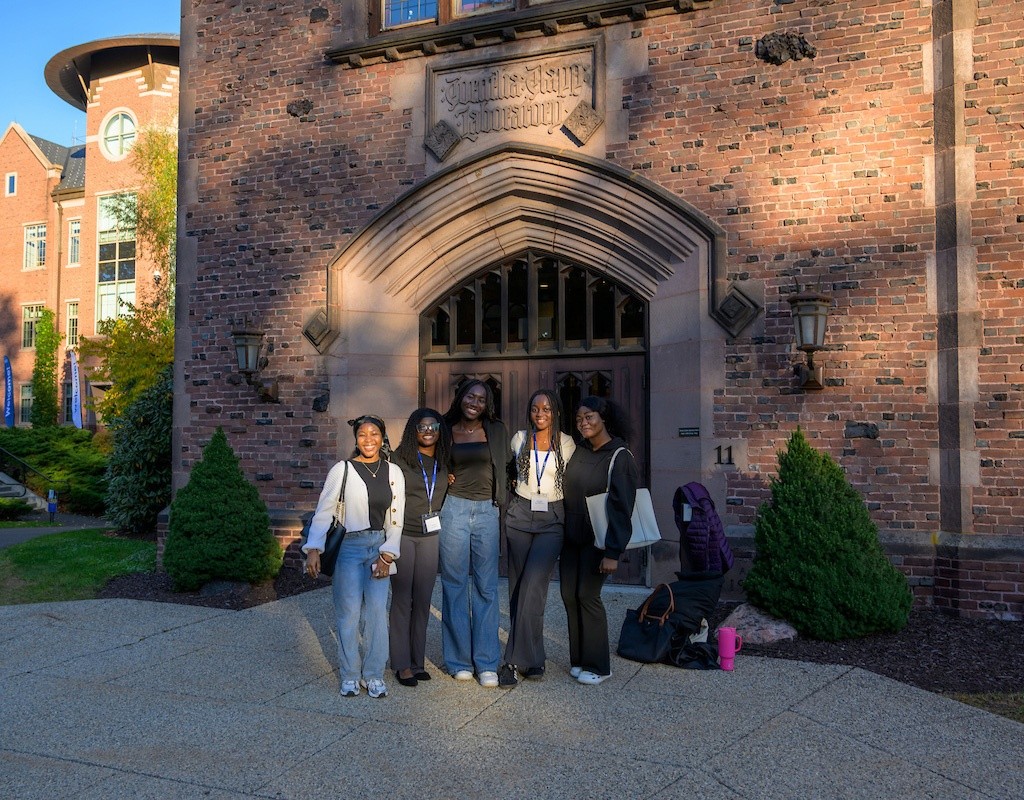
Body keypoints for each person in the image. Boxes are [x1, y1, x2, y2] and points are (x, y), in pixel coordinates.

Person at [303, 415, 405, 699]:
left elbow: (397, 518)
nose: (368, 439)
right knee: (349, 613)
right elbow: (324, 511)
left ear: (383, 438)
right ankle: (349, 674)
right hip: (349, 547)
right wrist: (314, 549)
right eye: (362, 434)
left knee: (375, 614)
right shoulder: (342, 469)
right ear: (356, 439)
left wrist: (387, 556)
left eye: (374, 434)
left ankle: (373, 675)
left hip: (379, 547)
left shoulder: (393, 472)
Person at [498, 389, 576, 687]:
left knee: (533, 584)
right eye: (534, 408)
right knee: (520, 588)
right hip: (519, 515)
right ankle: (535, 658)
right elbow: (504, 471)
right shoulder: (519, 439)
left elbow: (574, 481)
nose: (540, 413)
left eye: (545, 408)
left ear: (555, 411)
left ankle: (511, 661)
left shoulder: (566, 443)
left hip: (551, 519)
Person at [560, 395, 639, 686]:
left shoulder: (620, 456)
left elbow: (622, 506)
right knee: (569, 595)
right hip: (572, 539)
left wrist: (613, 552)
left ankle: (599, 665)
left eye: (590, 417)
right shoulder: (580, 451)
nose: (584, 423)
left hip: (599, 541)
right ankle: (580, 659)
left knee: (588, 596)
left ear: (604, 418)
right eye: (580, 419)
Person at [440, 379, 511, 687]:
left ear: (487, 405)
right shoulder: (444, 428)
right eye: (471, 395)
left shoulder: (496, 429)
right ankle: (458, 661)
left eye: (482, 399)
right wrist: (445, 476)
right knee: (454, 584)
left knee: (486, 587)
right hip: (453, 510)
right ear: (461, 397)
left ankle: (486, 663)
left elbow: (508, 466)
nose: (475, 402)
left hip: (486, 512)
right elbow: (427, 461)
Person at [389, 408, 450, 688]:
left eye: (433, 426)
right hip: (403, 534)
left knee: (423, 599)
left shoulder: (444, 459)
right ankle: (401, 664)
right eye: (422, 427)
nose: (428, 431)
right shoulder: (399, 459)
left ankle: (417, 662)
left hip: (430, 536)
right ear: (413, 429)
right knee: (403, 599)